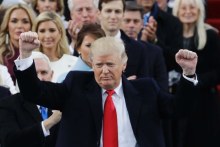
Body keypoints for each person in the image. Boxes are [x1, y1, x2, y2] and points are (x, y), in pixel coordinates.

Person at [15, 31, 198, 147]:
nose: (104, 71)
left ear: (124, 64)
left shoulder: (146, 89)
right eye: (99, 64)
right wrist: (25, 55)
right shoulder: (75, 85)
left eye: (110, 64)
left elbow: (179, 109)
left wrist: (189, 73)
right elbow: (34, 92)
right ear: (92, 64)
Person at [172, 0, 220, 146]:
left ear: (199, 11)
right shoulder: (171, 34)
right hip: (176, 98)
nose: (188, 11)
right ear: (177, 11)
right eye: (183, 8)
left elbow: (218, 71)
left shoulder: (211, 35)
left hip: (203, 101)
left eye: (192, 7)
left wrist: (195, 79)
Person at [0, 52, 61, 147]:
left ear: (52, 74)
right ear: (24, 77)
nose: (39, 78)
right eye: (34, 73)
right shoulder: (8, 105)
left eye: (44, 72)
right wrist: (49, 123)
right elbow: (9, 142)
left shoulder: (62, 102)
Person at [98, 0, 163, 81]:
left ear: (123, 15)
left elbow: (143, 85)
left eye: (117, 11)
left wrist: (126, 87)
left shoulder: (139, 49)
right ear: (99, 14)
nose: (113, 16)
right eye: (108, 11)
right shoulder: (87, 43)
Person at [121, 0, 168, 91]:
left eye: (136, 21)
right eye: (127, 21)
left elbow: (162, 88)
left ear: (142, 23)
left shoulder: (155, 52)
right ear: (119, 22)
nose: (131, 25)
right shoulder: (110, 48)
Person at [33, 11, 77, 82]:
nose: (47, 36)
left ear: (60, 33)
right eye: (42, 31)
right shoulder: (28, 64)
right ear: (36, 33)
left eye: (52, 30)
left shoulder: (74, 63)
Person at [0, 4, 35, 83]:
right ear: (7, 25)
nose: (19, 26)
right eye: (14, 21)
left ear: (32, 26)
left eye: (25, 21)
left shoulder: (39, 52)